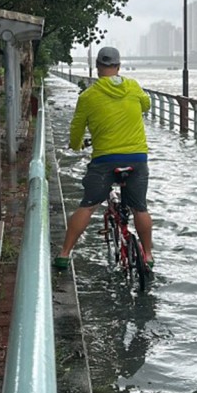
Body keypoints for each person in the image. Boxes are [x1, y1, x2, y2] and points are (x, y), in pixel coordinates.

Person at [54, 46, 152, 270]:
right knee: (140, 208)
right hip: (137, 159)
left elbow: (77, 128)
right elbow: (146, 104)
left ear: (98, 67)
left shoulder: (88, 96)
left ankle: (64, 254)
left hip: (104, 161)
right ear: (118, 67)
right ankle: (148, 255)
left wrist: (75, 145)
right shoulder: (133, 86)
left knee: (88, 206)